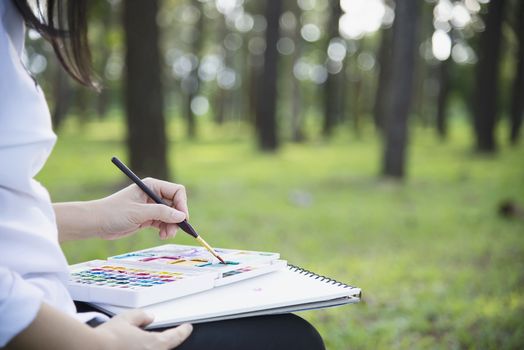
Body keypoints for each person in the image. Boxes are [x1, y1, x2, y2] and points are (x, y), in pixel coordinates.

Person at [0, 1, 326, 349]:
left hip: (44, 307)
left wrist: (96, 216)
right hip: (37, 329)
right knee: (288, 340)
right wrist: (97, 344)